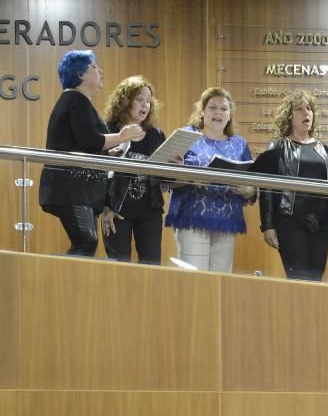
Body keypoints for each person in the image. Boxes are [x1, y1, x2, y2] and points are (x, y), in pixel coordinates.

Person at [39, 50, 145, 256]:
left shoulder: (76, 101)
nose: (101, 71)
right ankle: (56, 283)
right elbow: (90, 141)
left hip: (74, 187)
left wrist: (109, 152)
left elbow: (82, 143)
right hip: (70, 187)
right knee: (86, 241)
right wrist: (122, 136)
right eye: (94, 67)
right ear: (80, 75)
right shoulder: (76, 100)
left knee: (86, 242)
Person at [164, 87, 255, 272]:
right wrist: (186, 176)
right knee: (194, 284)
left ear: (230, 115)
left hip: (227, 222)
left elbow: (252, 184)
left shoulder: (240, 144)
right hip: (192, 219)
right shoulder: (185, 135)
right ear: (202, 111)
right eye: (213, 107)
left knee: (220, 285)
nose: (218, 113)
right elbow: (163, 180)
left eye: (224, 109)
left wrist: (248, 190)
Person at [256, 89, 328, 281]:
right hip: (289, 221)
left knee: (316, 278)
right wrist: (267, 225)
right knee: (298, 279)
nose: (306, 113)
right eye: (300, 109)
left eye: (309, 109)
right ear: (289, 116)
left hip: (321, 223)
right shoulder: (278, 147)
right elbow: (266, 189)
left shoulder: (324, 149)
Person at [100, 76, 169, 265]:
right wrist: (105, 208)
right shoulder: (109, 131)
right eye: (139, 99)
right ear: (125, 100)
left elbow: (164, 180)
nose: (145, 105)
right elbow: (98, 175)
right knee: (119, 270)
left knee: (152, 268)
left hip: (150, 212)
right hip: (117, 211)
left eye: (148, 100)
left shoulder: (156, 134)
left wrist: (175, 166)